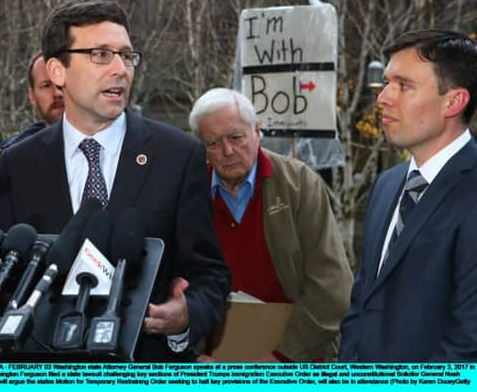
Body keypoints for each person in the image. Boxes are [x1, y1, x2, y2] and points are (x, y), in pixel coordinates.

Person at [0, 0, 230, 361]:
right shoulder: (18, 164)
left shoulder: (178, 156)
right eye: (102, 54)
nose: (120, 69)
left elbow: (209, 276)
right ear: (58, 72)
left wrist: (186, 317)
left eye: (126, 55)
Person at [340, 30, 477, 361]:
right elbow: (362, 303)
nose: (383, 97)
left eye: (403, 85)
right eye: (387, 82)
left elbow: (467, 343)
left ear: (454, 102)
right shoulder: (387, 185)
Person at [189, 88, 353, 362]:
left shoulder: (299, 184)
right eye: (213, 143)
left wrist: (281, 358)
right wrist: (193, 354)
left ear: (257, 131)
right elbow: (181, 284)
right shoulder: (192, 193)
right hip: (217, 363)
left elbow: (332, 286)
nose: (227, 151)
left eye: (236, 137)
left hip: (298, 357)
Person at [0, 51, 65, 154]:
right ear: (32, 96)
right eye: (46, 85)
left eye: (62, 82)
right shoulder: (17, 160)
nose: (57, 93)